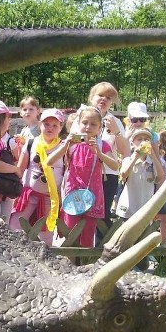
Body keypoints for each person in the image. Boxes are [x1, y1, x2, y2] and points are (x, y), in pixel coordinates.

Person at [47, 106, 118, 248]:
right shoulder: (71, 144)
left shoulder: (102, 145)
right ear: (78, 124)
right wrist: (66, 144)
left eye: (93, 124)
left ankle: (84, 265)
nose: (88, 127)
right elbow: (49, 161)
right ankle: (70, 265)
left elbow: (115, 166)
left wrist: (99, 153)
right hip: (72, 194)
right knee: (71, 233)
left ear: (99, 128)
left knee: (87, 234)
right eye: (85, 123)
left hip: (92, 196)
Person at [9, 108, 65, 245]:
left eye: (54, 125)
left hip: (50, 199)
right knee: (14, 227)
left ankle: (44, 262)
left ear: (60, 128)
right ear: (40, 124)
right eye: (46, 124)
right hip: (28, 195)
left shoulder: (65, 147)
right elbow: (20, 170)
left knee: (46, 235)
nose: (50, 128)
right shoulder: (30, 143)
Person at [86, 82, 128, 229]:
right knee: (82, 211)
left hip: (107, 175)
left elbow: (125, 151)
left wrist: (116, 131)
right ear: (92, 97)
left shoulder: (115, 121)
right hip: (84, 172)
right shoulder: (81, 117)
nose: (104, 99)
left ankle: (99, 248)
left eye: (109, 97)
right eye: (100, 95)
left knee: (102, 215)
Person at [116, 128, 163, 220]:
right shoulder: (128, 160)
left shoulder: (152, 162)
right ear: (132, 144)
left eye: (146, 139)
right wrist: (136, 157)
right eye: (139, 139)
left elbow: (160, 177)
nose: (143, 142)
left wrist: (153, 154)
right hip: (128, 210)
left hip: (145, 210)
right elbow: (123, 175)